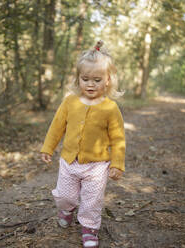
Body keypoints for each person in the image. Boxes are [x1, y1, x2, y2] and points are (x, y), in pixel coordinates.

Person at [40, 40, 126, 248]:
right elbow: (56, 127)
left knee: (92, 199)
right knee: (64, 195)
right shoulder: (70, 102)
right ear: (78, 79)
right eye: (85, 79)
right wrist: (48, 148)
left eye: (96, 80)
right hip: (69, 161)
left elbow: (118, 138)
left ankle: (89, 229)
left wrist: (117, 164)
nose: (90, 84)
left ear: (107, 81)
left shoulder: (110, 108)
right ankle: (67, 209)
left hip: (97, 166)